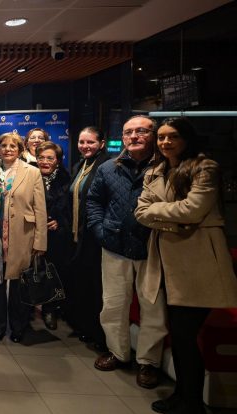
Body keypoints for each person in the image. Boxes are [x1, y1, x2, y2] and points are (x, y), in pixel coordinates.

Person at [135, 118, 237, 414]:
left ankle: (193, 405)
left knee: (185, 335)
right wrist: (172, 218)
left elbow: (193, 210)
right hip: (167, 261)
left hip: (197, 262)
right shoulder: (156, 170)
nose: (165, 143)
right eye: (162, 137)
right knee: (179, 336)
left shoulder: (204, 168)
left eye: (173, 137)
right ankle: (182, 394)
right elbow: (141, 211)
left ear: (187, 138)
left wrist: (160, 215)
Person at [86, 115, 167, 389]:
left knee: (153, 309)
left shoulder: (167, 167)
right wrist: (99, 229)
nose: (134, 136)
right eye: (128, 132)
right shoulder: (109, 168)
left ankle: (148, 363)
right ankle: (118, 353)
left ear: (153, 135)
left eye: (141, 131)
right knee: (113, 305)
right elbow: (94, 201)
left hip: (152, 249)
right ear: (122, 137)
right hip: (114, 246)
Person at [0, 133, 47, 343]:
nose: (7, 149)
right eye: (4, 146)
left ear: (20, 149)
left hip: (21, 235)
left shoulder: (32, 172)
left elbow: (40, 208)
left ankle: (18, 326)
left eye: (12, 146)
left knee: (18, 284)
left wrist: (40, 241)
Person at [67, 126, 110, 350]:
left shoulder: (108, 166)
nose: (85, 146)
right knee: (82, 285)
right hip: (78, 236)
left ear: (102, 143)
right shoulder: (79, 166)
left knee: (97, 289)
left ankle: (99, 335)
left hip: (95, 238)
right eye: (82, 142)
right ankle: (85, 327)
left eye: (90, 142)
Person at [35, 141, 72, 330]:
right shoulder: (29, 174)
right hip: (31, 232)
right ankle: (28, 307)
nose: (44, 161)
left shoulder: (67, 179)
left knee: (52, 272)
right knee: (31, 272)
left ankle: (50, 309)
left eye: (50, 158)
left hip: (55, 234)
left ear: (57, 160)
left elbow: (71, 209)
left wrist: (59, 220)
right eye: (40, 157)